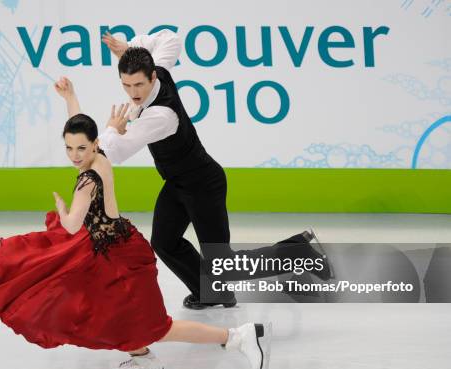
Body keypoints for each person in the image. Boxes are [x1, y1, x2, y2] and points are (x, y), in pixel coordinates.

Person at [0, 77, 272, 369]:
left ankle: (237, 337)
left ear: (95, 143)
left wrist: (62, 209)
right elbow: (80, 125)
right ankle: (144, 357)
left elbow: (71, 226)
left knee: (157, 327)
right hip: (111, 248)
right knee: (110, 314)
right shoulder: (99, 157)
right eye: (69, 148)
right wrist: (70, 97)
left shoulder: (87, 181)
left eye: (81, 148)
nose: (75, 155)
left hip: (117, 260)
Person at [100, 30, 331, 309]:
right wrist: (129, 48)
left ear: (153, 77)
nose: (133, 93)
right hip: (177, 183)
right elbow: (169, 38)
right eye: (126, 85)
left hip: (203, 184)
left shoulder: (160, 115)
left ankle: (296, 252)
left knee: (225, 264)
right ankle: (210, 292)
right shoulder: (157, 70)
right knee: (165, 242)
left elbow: (117, 151)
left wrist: (113, 129)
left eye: (138, 84)